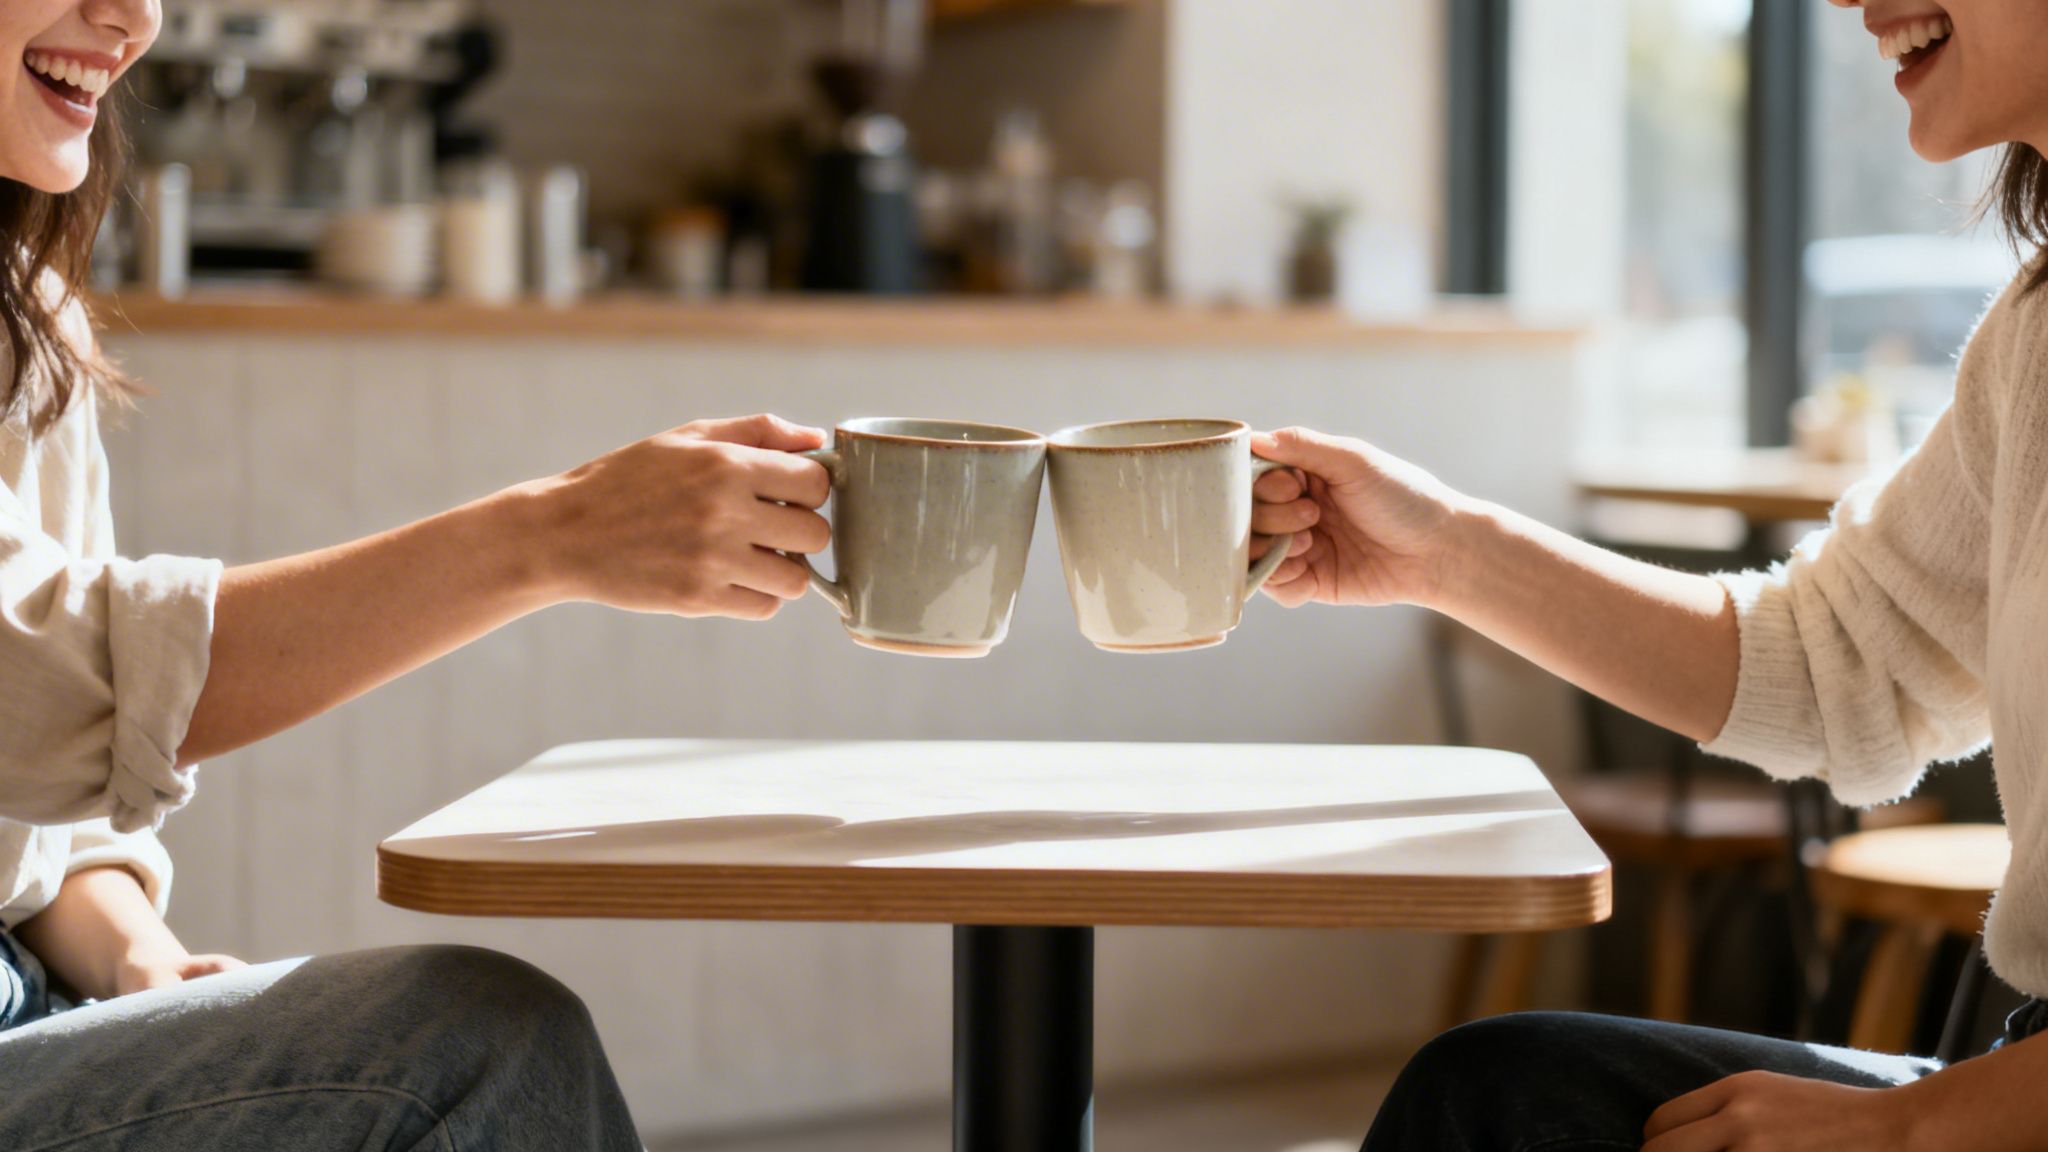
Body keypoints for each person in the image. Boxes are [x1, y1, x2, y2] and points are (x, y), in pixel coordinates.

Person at [0, 0, 832, 1147]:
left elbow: (44, 825)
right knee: (476, 1045)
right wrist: (554, 534)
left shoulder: (25, 304)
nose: (134, 16)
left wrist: (143, 965)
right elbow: (42, 690)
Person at [1247, 1, 2048, 1148]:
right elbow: (1837, 668)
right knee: (1495, 1094)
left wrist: (1904, 1129)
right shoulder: (2029, 337)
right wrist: (1440, 549)